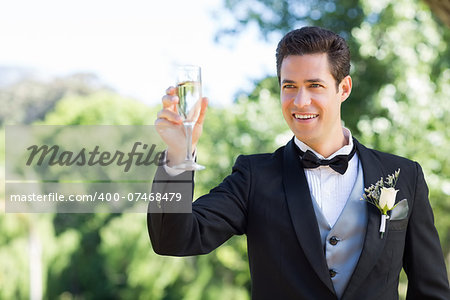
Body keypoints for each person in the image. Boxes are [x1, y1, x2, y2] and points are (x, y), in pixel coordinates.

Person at [148, 26, 450, 299]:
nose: (300, 101)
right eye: (289, 86)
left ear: (343, 88)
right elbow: (173, 240)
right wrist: (178, 155)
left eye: (314, 85)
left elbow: (430, 289)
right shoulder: (254, 177)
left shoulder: (403, 176)